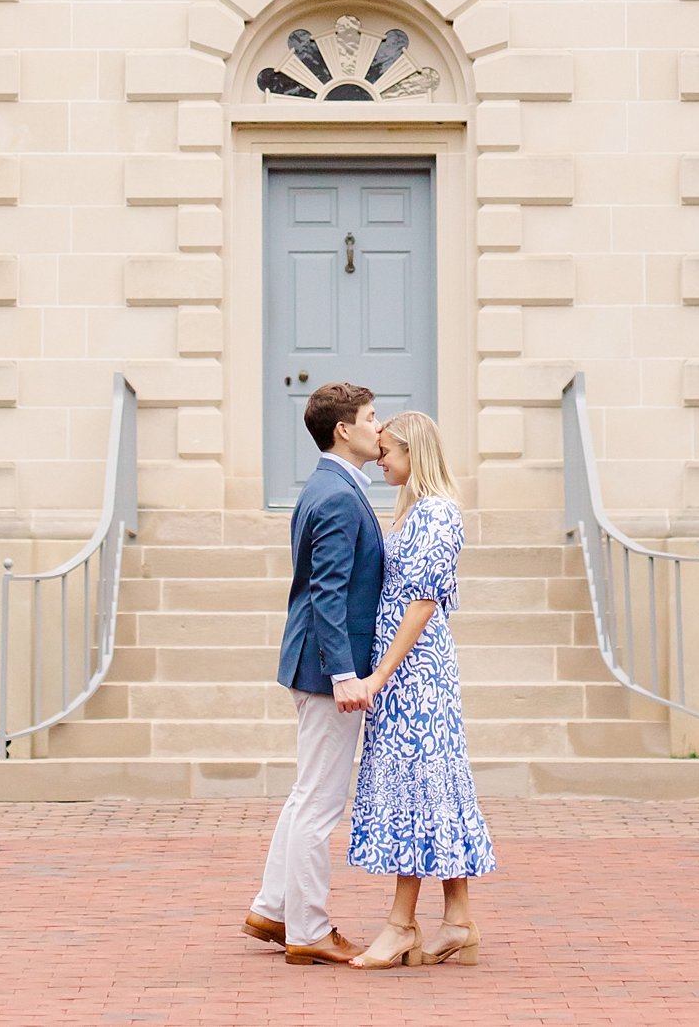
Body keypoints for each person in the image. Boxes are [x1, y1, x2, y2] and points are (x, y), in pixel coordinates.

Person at [345, 411, 495, 969]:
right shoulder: (414, 511)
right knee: (433, 783)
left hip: (415, 672)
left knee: (417, 783)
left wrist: (380, 675)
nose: (379, 458)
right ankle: (457, 919)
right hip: (403, 667)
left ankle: (400, 924)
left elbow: (423, 603)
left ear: (414, 453)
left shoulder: (437, 513)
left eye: (387, 451)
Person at [244, 381, 386, 966]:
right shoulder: (334, 496)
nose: (382, 427)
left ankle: (272, 908)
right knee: (321, 803)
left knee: (308, 793)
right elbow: (327, 594)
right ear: (343, 431)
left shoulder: (332, 486)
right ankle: (308, 930)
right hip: (327, 667)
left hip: (316, 661)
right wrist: (344, 674)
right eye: (373, 418)